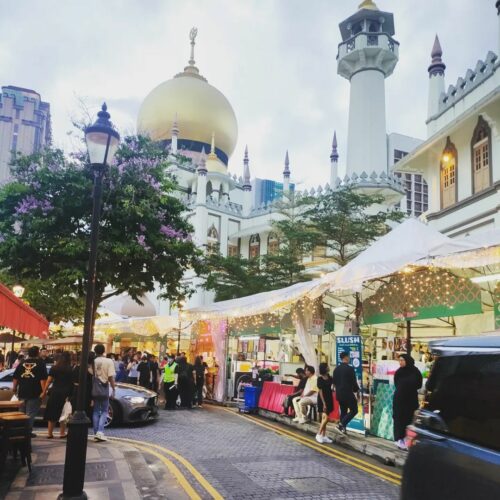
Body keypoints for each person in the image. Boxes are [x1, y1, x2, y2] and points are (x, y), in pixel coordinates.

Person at [12, 346, 48, 437]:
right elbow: (43, 379)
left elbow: (15, 377)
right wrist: (44, 391)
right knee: (30, 414)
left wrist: (14, 388)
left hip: (22, 391)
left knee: (22, 413)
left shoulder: (22, 362)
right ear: (37, 353)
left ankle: (20, 431)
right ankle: (26, 432)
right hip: (34, 392)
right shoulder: (41, 363)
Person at [393, 354, 423, 450]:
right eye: (399, 360)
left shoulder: (415, 372)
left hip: (410, 399)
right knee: (399, 419)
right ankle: (399, 440)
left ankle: (408, 441)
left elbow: (419, 384)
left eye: (402, 360)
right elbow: (396, 383)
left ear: (408, 361)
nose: (400, 362)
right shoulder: (398, 372)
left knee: (409, 419)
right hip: (399, 399)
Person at [41, 351, 73, 439]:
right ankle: (62, 433)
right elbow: (72, 382)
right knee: (64, 413)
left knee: (52, 412)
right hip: (66, 392)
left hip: (55, 391)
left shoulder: (54, 368)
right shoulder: (70, 369)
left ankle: (49, 433)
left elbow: (48, 381)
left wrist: (44, 391)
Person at [91, 344, 116, 442]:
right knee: (105, 410)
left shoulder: (93, 361)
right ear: (104, 351)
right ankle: (100, 432)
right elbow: (110, 377)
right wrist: (113, 388)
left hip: (95, 388)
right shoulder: (109, 361)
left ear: (95, 351)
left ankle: (96, 432)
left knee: (96, 411)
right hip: (104, 387)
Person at [333, 352, 360, 434]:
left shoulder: (336, 369)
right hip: (348, 393)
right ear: (346, 357)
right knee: (354, 410)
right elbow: (353, 382)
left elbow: (334, 382)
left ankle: (342, 429)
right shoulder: (350, 369)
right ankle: (341, 424)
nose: (349, 358)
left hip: (339, 393)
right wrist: (356, 391)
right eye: (348, 356)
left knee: (343, 411)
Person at [316, 362, 334, 443]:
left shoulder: (330, 378)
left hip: (329, 399)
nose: (328, 367)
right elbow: (320, 392)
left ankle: (323, 436)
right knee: (325, 418)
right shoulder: (319, 379)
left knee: (325, 419)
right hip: (322, 400)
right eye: (327, 366)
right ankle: (319, 434)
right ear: (324, 368)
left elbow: (333, 387)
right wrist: (324, 403)